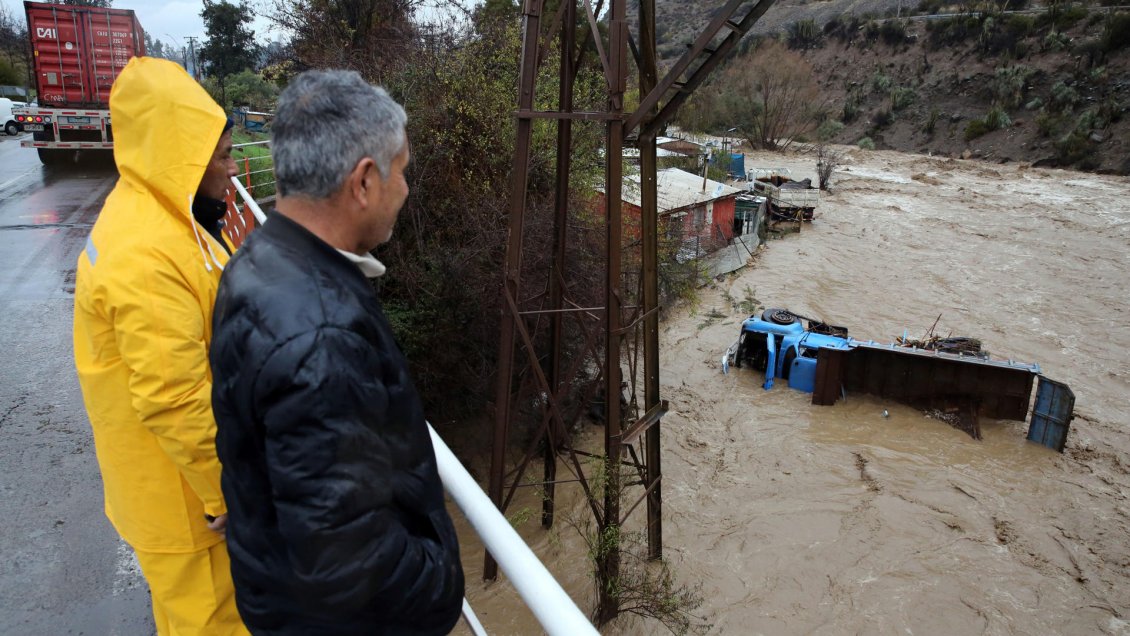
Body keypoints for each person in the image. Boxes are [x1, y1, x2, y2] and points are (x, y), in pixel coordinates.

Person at [210, 70, 465, 635]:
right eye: (402, 171)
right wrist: (442, 580)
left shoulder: (256, 260)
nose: (406, 189)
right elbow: (349, 563)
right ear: (364, 181)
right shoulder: (321, 335)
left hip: (276, 593)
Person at [72, 57, 246, 634]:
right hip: (187, 505)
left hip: (169, 490)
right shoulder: (148, 254)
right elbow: (174, 397)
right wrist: (230, 493)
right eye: (223, 156)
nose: (233, 169)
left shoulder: (158, 214)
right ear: (183, 156)